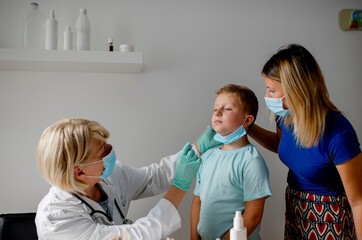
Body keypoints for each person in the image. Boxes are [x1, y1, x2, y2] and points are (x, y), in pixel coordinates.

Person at [35, 118, 220, 240]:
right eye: (103, 151)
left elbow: (153, 177)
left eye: (106, 145)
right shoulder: (56, 219)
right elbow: (136, 235)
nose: (110, 152)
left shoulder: (111, 176)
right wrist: (180, 186)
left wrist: (199, 147)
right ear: (79, 172)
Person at [248, 44, 362, 239]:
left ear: (296, 90)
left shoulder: (339, 134)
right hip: (296, 208)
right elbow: (282, 145)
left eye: (272, 90)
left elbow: (358, 201)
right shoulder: (284, 117)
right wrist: (248, 129)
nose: (267, 97)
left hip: (330, 217)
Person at [190, 84, 272, 240]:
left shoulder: (251, 161)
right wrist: (194, 237)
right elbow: (197, 201)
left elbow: (253, 215)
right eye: (215, 109)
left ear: (247, 120)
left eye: (227, 108)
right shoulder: (207, 157)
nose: (218, 113)